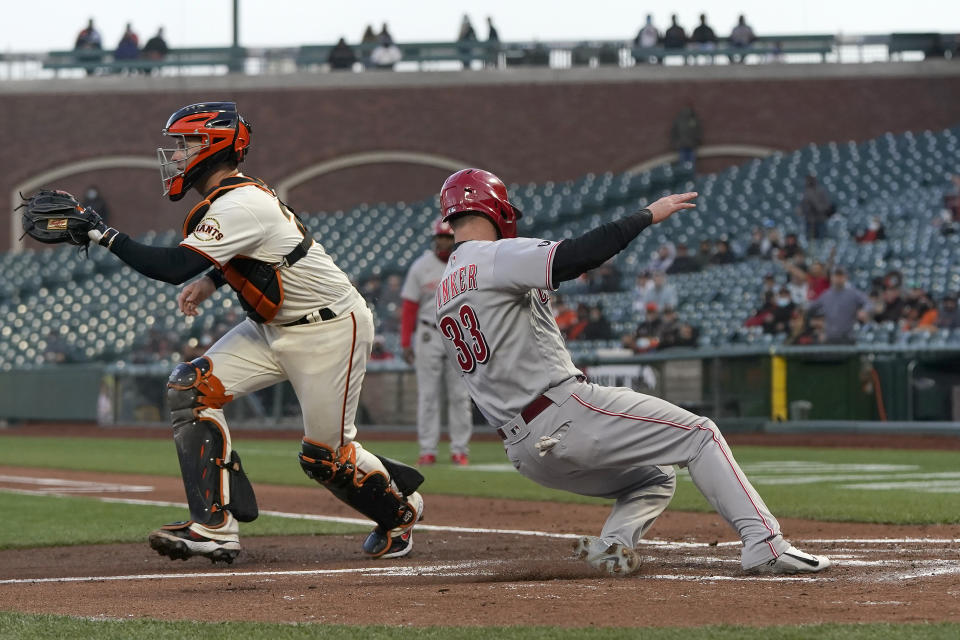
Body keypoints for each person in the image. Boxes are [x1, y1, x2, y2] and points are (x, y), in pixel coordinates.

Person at [73, 102, 424, 563]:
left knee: (325, 459)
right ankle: (215, 526)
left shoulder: (240, 201)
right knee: (190, 387)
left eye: (186, 144)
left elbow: (174, 267)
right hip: (269, 327)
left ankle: (400, 512)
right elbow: (261, 252)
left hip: (329, 329)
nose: (176, 156)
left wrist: (103, 234)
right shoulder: (237, 198)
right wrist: (213, 279)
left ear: (214, 145)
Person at [434, 167, 830, 576]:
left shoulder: (444, 288)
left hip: (523, 450)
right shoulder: (493, 255)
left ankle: (612, 547)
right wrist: (646, 215)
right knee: (700, 434)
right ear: (497, 209)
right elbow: (575, 256)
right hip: (561, 413)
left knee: (656, 477)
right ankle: (765, 542)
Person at [400, 219, 473, 466]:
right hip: (428, 332)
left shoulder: (464, 263)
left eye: (447, 238)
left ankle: (459, 450)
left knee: (460, 396)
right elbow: (409, 307)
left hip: (459, 334)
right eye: (440, 238)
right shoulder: (421, 266)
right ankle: (428, 449)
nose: (443, 242)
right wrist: (405, 342)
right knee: (428, 396)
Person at [807, 267, 869, 344]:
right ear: (831, 277)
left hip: (847, 337)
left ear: (846, 277)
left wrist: (864, 310)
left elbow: (868, 303)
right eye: (836, 276)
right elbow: (810, 309)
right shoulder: (826, 295)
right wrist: (818, 329)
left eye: (841, 276)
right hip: (830, 337)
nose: (838, 278)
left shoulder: (853, 293)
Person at [798, 175, 835, 241]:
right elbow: (803, 205)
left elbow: (826, 204)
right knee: (810, 240)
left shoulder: (820, 191)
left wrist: (819, 207)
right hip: (809, 220)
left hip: (820, 219)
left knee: (822, 239)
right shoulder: (806, 192)